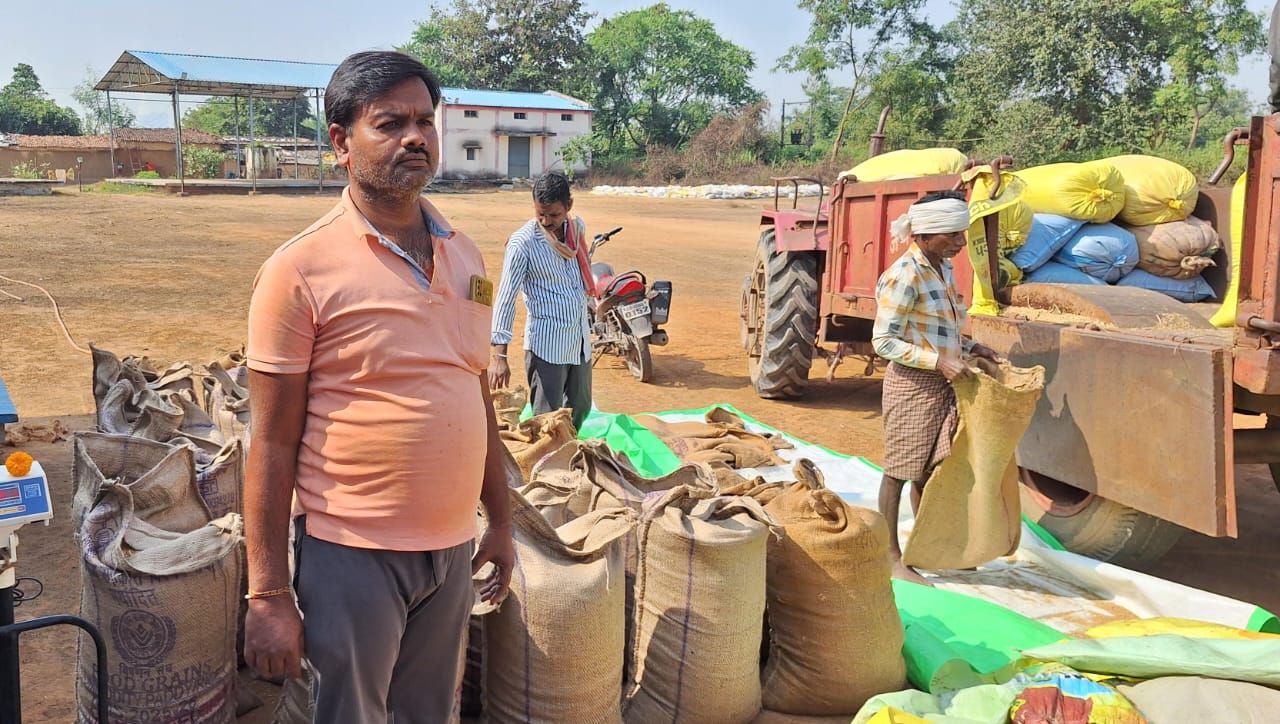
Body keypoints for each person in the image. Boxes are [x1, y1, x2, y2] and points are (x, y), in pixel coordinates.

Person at [242, 50, 516, 723]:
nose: (415, 138)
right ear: (341, 142)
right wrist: (268, 594)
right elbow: (271, 443)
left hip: (451, 551)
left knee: (428, 714)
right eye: (390, 124)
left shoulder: (465, 252)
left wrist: (502, 522)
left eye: (425, 121)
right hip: (352, 554)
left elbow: (475, 394)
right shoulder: (298, 270)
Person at [871, 190, 1003, 586]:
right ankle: (890, 558)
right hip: (913, 384)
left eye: (962, 233)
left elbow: (942, 329)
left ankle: (930, 548)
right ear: (925, 235)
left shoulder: (943, 269)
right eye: (953, 235)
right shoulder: (904, 276)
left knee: (931, 471)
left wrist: (971, 348)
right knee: (900, 471)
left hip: (946, 382)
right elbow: (884, 342)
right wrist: (938, 362)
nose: (961, 242)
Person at [488, 171, 595, 430]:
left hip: (579, 340)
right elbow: (506, 297)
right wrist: (499, 355)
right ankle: (548, 454)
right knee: (547, 419)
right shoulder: (523, 243)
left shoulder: (575, 229)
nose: (546, 221)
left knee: (581, 407)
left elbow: (581, 272)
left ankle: (568, 447)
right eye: (540, 214)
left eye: (554, 215)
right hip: (547, 345)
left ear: (568, 205)